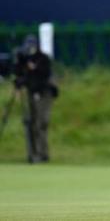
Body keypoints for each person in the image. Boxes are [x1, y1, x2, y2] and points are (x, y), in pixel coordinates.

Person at [14, 34, 57, 163]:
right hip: (32, 93)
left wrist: (34, 68)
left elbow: (43, 75)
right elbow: (21, 76)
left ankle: (41, 153)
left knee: (40, 123)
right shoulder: (25, 60)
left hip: (43, 93)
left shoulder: (42, 59)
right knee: (31, 123)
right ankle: (33, 153)